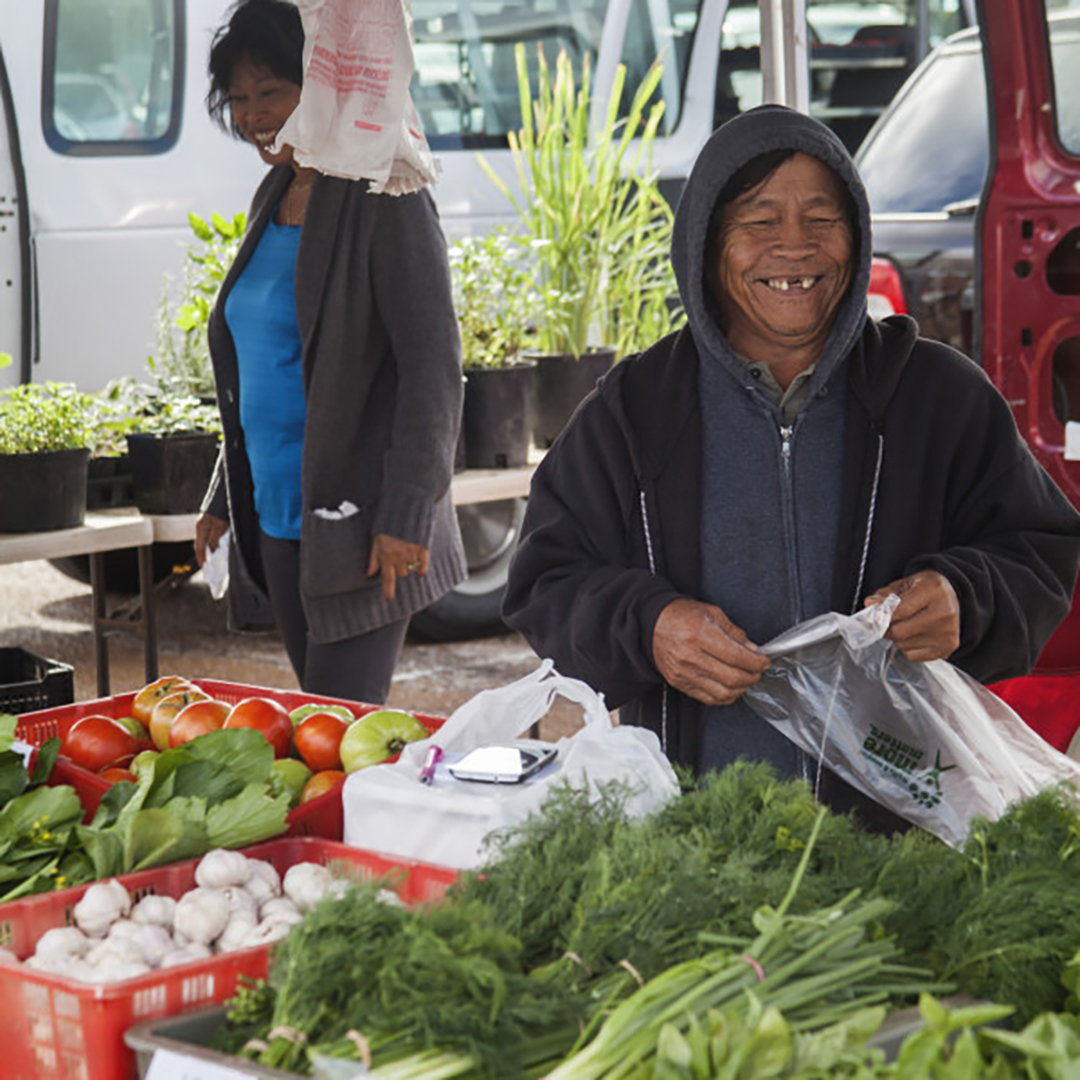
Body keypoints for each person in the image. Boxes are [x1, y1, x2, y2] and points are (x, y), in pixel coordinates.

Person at [502, 104, 1080, 830]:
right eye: (758, 221)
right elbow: (546, 581)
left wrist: (966, 595)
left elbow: (1041, 552)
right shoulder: (636, 408)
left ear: (857, 234)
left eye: (822, 218)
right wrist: (649, 625)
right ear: (708, 243)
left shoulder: (938, 396)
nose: (795, 247)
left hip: (899, 837)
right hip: (695, 833)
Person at [193, 0, 465, 704]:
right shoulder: (275, 192)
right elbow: (264, 369)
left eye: (272, 92)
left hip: (363, 528)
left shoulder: (383, 188)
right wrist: (224, 498)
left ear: (319, 82)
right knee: (322, 726)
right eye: (241, 98)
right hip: (279, 520)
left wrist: (407, 515)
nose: (253, 114)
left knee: (341, 735)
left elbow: (432, 366)